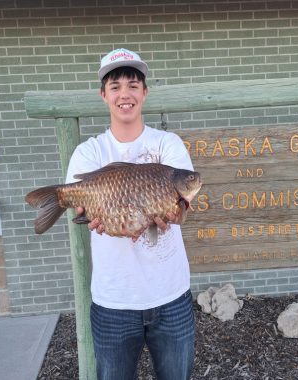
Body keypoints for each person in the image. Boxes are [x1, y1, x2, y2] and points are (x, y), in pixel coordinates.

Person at [66, 48, 195, 380]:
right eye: (116, 86)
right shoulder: (88, 152)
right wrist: (95, 217)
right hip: (113, 303)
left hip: (172, 297)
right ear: (103, 95)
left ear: (145, 93)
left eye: (133, 85)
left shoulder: (169, 145)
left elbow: (179, 212)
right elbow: (85, 213)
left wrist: (171, 214)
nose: (125, 93)